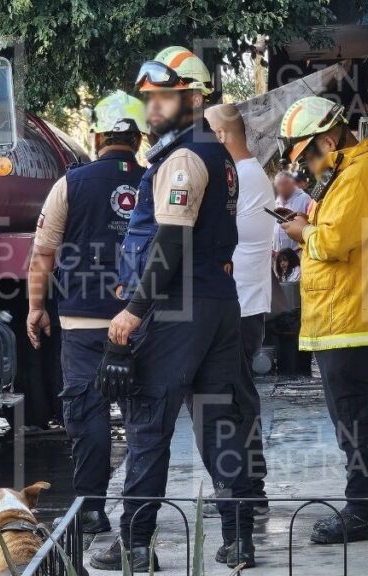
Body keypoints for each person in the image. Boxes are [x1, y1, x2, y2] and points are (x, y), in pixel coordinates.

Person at [89, 46, 257, 571]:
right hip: (217, 306)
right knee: (222, 424)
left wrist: (134, 310)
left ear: (192, 97)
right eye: (150, 99)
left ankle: (136, 546)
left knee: (147, 427)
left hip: (176, 310)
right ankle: (238, 540)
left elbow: (170, 242)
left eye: (163, 98)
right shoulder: (214, 152)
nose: (153, 108)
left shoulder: (184, 158)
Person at [25, 91, 148, 540]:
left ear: (97, 135)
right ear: (137, 139)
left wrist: (36, 308)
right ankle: (140, 517)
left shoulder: (70, 184)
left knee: (87, 416)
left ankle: (92, 511)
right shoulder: (154, 181)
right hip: (142, 323)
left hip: (83, 325)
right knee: (144, 419)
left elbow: (42, 256)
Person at [277, 96, 368, 544]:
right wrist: (303, 232)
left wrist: (303, 232)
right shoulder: (352, 172)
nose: (306, 166)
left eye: (308, 155)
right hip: (343, 315)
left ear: (328, 140)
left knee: (354, 419)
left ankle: (364, 511)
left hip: (350, 317)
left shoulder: (360, 174)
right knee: (353, 418)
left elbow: (333, 243)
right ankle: (363, 505)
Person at [205, 103, 272, 513]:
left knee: (235, 399)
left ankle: (246, 488)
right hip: (243, 303)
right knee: (235, 397)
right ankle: (246, 485)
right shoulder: (246, 174)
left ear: (221, 135)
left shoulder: (242, 177)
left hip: (240, 305)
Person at [272, 170, 312, 254]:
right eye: (278, 185)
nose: (281, 188)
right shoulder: (277, 201)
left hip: (297, 253)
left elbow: (312, 221)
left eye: (284, 184)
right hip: (279, 256)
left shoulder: (304, 198)